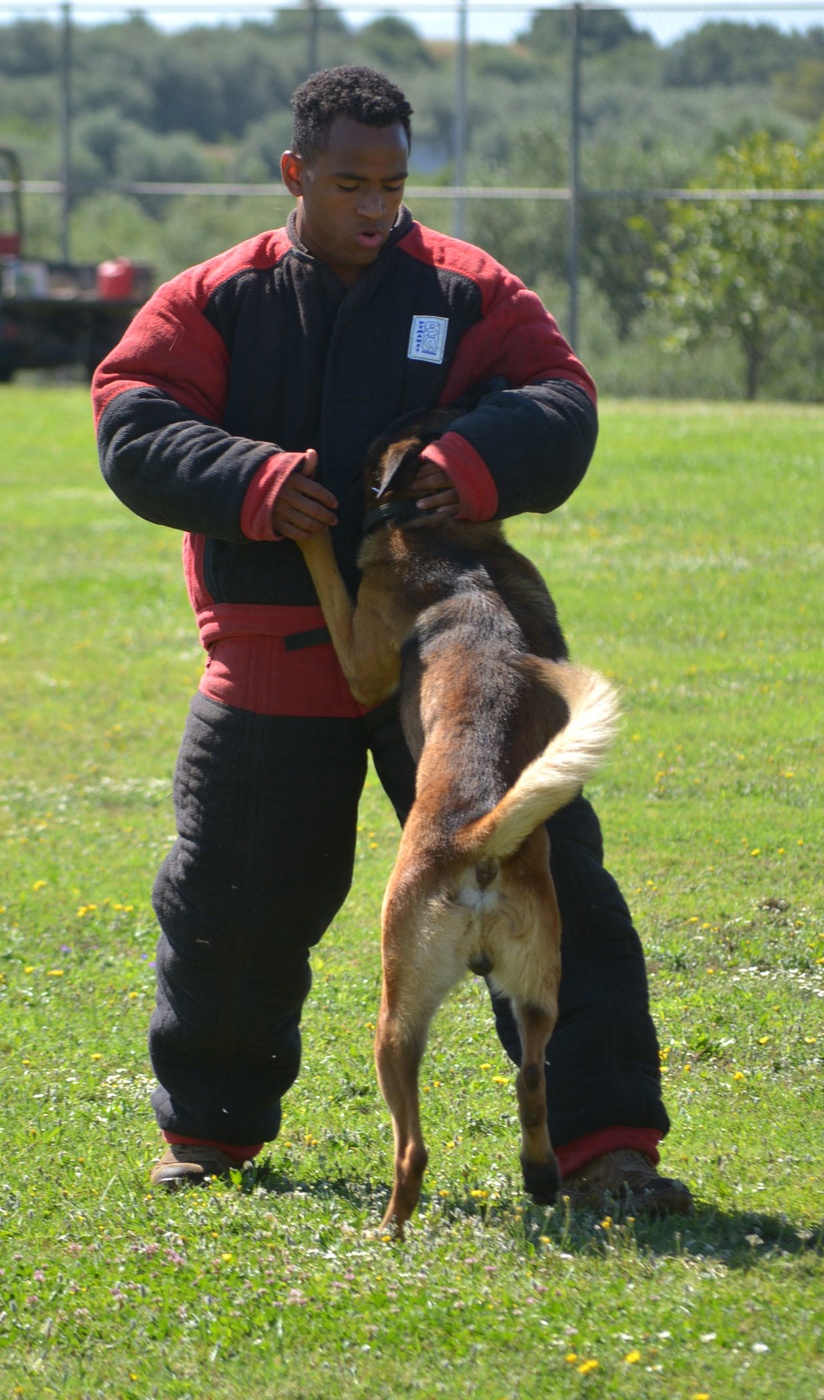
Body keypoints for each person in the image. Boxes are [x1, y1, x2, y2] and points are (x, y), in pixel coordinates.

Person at [92, 65, 692, 1216]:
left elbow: (560, 400)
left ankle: (608, 1148)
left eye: (395, 185)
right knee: (232, 897)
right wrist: (253, 480)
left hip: (457, 660)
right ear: (295, 172)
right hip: (272, 656)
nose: (376, 207)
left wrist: (464, 465)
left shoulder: (467, 291)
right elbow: (132, 413)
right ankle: (207, 1136)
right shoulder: (220, 298)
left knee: (557, 878)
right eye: (351, 183)